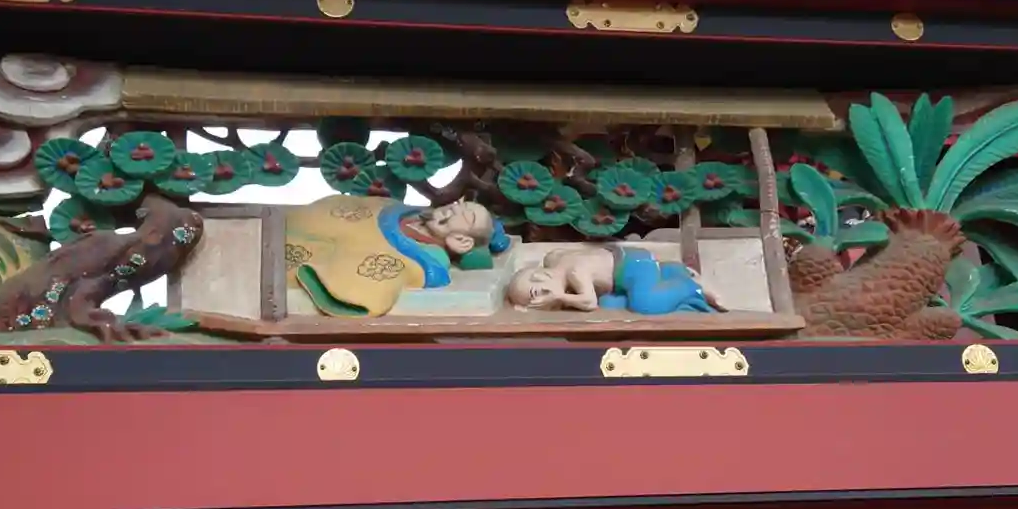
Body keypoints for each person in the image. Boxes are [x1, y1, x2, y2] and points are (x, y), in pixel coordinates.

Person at [287, 196, 508, 316]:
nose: (455, 208)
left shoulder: (423, 261)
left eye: (466, 216)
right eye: (460, 203)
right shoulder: (401, 210)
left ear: (462, 241)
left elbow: (375, 280)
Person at [506, 243, 722, 314]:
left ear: (542, 275)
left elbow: (589, 303)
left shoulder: (575, 273)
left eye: (536, 294)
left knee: (645, 304)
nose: (541, 301)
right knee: (610, 305)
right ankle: (671, 272)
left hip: (635, 266)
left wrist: (559, 297)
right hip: (620, 269)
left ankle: (691, 286)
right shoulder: (553, 259)